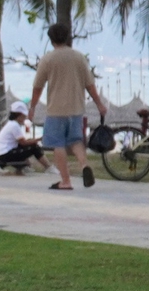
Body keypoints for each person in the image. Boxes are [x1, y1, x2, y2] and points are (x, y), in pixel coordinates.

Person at [29, 23, 109, 190]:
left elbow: (38, 86)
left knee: (58, 143)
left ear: (51, 39)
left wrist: (33, 107)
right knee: (75, 141)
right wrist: (99, 104)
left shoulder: (48, 59)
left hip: (56, 109)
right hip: (76, 109)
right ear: (67, 37)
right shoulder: (79, 57)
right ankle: (84, 165)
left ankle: (65, 180)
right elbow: (90, 84)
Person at [0, 103, 46, 173]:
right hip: (6, 154)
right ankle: (48, 166)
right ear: (19, 116)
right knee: (34, 147)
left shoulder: (10, 124)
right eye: (24, 116)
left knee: (28, 145)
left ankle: (26, 167)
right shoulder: (14, 126)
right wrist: (39, 139)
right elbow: (23, 142)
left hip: (4, 153)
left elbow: (21, 141)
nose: (25, 118)